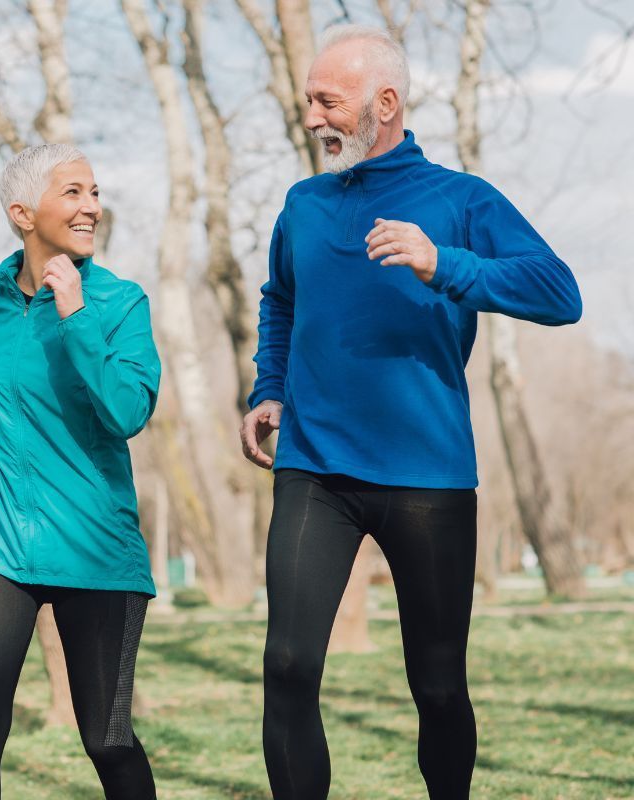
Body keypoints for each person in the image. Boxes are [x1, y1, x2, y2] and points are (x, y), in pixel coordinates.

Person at [240, 24, 582, 800]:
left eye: (328, 100)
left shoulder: (460, 200)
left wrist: (444, 262)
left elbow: (560, 292)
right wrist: (270, 387)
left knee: (436, 685)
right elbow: (280, 303)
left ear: (383, 103)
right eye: (308, 101)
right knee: (287, 668)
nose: (313, 116)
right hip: (314, 469)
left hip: (426, 475)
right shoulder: (303, 204)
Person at [0, 143, 161, 800]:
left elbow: (125, 411)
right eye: (73, 192)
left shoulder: (119, 303)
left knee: (107, 739)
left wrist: (76, 314)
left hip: (96, 544)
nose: (91, 206)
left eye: (94, 192)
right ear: (23, 213)